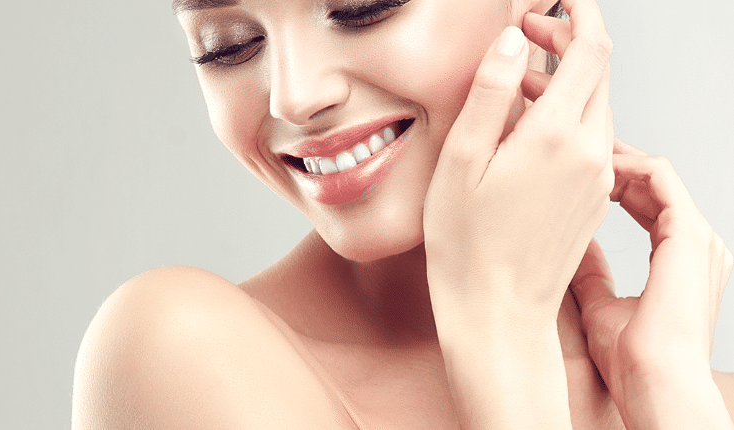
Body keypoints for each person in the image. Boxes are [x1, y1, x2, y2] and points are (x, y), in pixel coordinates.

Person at [72, 0, 734, 428]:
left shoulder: (690, 398)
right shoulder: (177, 351)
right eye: (226, 45)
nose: (295, 96)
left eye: (361, 6)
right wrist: (496, 329)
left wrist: (669, 398)